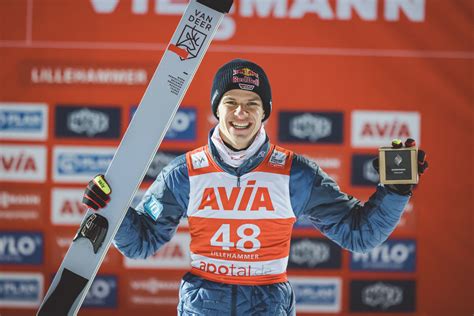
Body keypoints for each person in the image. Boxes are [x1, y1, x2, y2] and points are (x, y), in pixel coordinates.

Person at [83, 59, 428, 315]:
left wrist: (394, 191)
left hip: (267, 305)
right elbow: (141, 241)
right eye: (231, 102)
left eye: (252, 104)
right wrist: (110, 208)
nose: (240, 113)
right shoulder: (185, 173)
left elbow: (360, 233)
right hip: (204, 307)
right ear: (217, 109)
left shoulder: (295, 174)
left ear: (265, 112)